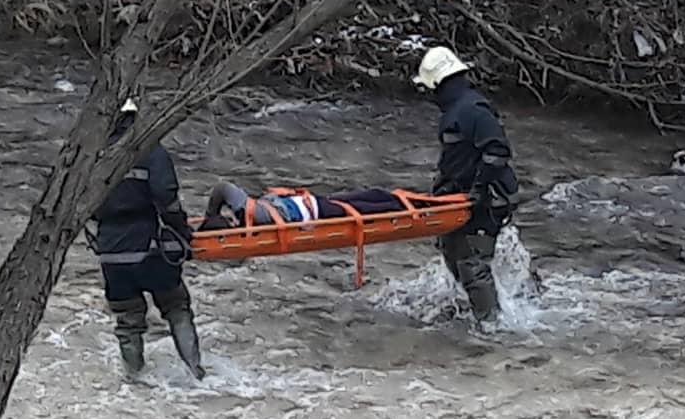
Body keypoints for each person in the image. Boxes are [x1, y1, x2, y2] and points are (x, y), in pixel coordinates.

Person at [90, 98, 205, 379]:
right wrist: (183, 234)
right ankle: (196, 374)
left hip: (111, 255)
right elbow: (167, 199)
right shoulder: (149, 151)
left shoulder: (93, 157)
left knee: (127, 322)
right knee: (176, 306)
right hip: (149, 248)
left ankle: (134, 380)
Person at [412, 45, 517, 326]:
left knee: (473, 264)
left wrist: (478, 191)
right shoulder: (458, 111)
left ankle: (494, 327)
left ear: (438, 84)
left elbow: (497, 153)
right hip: (459, 197)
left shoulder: (473, 111)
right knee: (452, 252)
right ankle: (476, 311)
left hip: (484, 199)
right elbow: (457, 160)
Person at [197, 182, 414, 230]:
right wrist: (211, 215)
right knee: (377, 208)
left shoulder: (247, 212)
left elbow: (220, 190)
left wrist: (210, 216)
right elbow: (222, 188)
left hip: (314, 202)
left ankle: (410, 202)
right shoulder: (252, 215)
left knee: (373, 196)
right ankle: (412, 208)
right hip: (318, 211)